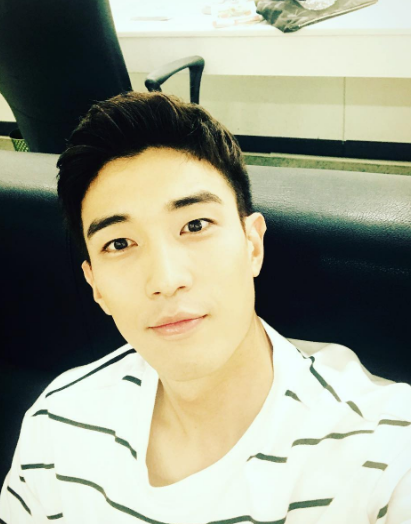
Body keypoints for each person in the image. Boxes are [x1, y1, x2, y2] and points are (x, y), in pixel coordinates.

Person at [0, 91, 410, 523]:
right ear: (95, 285)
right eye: (119, 243)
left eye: (195, 225)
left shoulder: (382, 455)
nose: (165, 280)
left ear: (252, 245)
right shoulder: (57, 426)